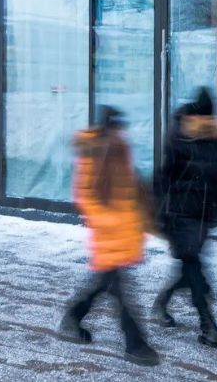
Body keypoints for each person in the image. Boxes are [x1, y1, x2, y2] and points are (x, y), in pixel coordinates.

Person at [60, 105, 159, 366]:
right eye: (115, 128)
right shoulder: (92, 154)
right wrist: (112, 223)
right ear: (106, 128)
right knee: (121, 290)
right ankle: (135, 343)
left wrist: (139, 218)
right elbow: (85, 198)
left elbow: (128, 192)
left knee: (105, 282)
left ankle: (73, 317)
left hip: (123, 233)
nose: (119, 133)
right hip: (108, 235)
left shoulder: (120, 151)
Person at [153, 87, 217, 349]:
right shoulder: (181, 139)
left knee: (191, 267)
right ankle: (208, 327)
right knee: (194, 269)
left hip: (202, 216)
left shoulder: (213, 140)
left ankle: (162, 302)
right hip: (181, 216)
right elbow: (164, 178)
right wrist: (164, 215)